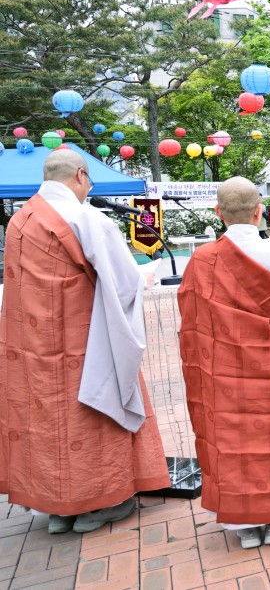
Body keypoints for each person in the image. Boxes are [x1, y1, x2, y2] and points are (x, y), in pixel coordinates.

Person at [0, 149, 169, 534]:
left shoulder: (19, 221)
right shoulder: (85, 217)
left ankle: (58, 507)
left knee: (45, 417)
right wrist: (143, 278)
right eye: (88, 180)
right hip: (86, 340)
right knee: (94, 411)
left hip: (32, 345)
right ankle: (105, 500)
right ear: (79, 175)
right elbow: (123, 281)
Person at [178, 177, 270, 549]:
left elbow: (191, 320)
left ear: (218, 213)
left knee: (232, 440)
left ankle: (244, 524)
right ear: (259, 212)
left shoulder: (202, 260)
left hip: (222, 373)